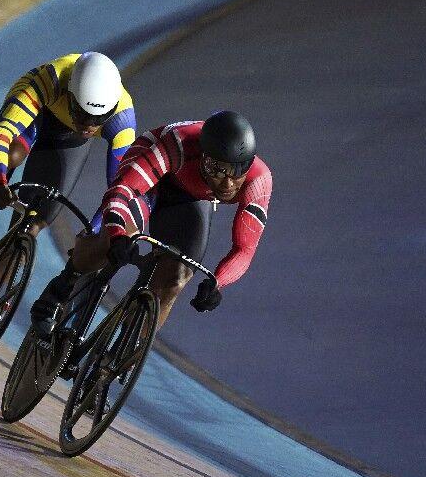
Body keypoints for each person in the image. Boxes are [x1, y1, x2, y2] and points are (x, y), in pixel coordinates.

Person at [30, 110, 272, 335]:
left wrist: (217, 282)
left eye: (237, 170)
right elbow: (123, 190)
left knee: (175, 278)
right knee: (118, 237)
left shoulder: (259, 180)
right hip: (151, 172)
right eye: (217, 169)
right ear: (202, 155)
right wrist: (116, 235)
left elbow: (245, 248)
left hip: (190, 196)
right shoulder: (179, 144)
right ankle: (63, 283)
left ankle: (126, 350)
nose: (228, 184)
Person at [0, 52, 137, 260]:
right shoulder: (51, 79)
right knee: (11, 155)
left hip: (68, 141)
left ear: (113, 110)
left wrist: (94, 230)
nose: (88, 125)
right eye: (82, 114)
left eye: (98, 119)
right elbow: (1, 134)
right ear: (69, 94)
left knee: (32, 224)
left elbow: (120, 190)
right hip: (39, 112)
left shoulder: (122, 121)